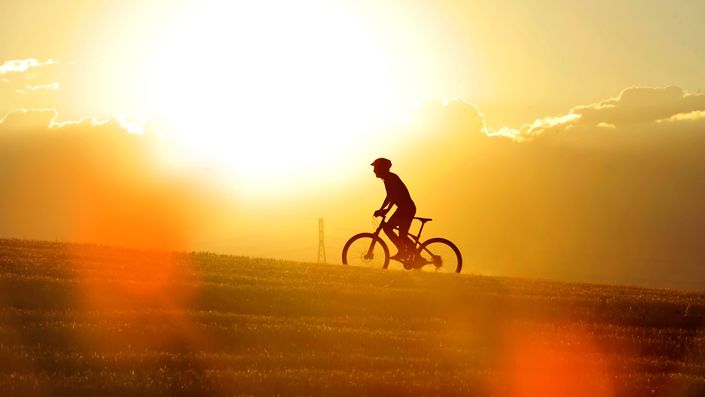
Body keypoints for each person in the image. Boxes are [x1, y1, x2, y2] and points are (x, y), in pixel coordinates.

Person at [371, 157, 417, 260]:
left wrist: (385, 210)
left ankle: (406, 252)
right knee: (401, 235)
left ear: (381, 168)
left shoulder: (390, 178)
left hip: (406, 209)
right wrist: (382, 209)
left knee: (392, 231)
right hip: (404, 209)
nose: (373, 171)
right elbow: (390, 196)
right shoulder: (388, 178)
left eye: (375, 168)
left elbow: (394, 195)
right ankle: (412, 254)